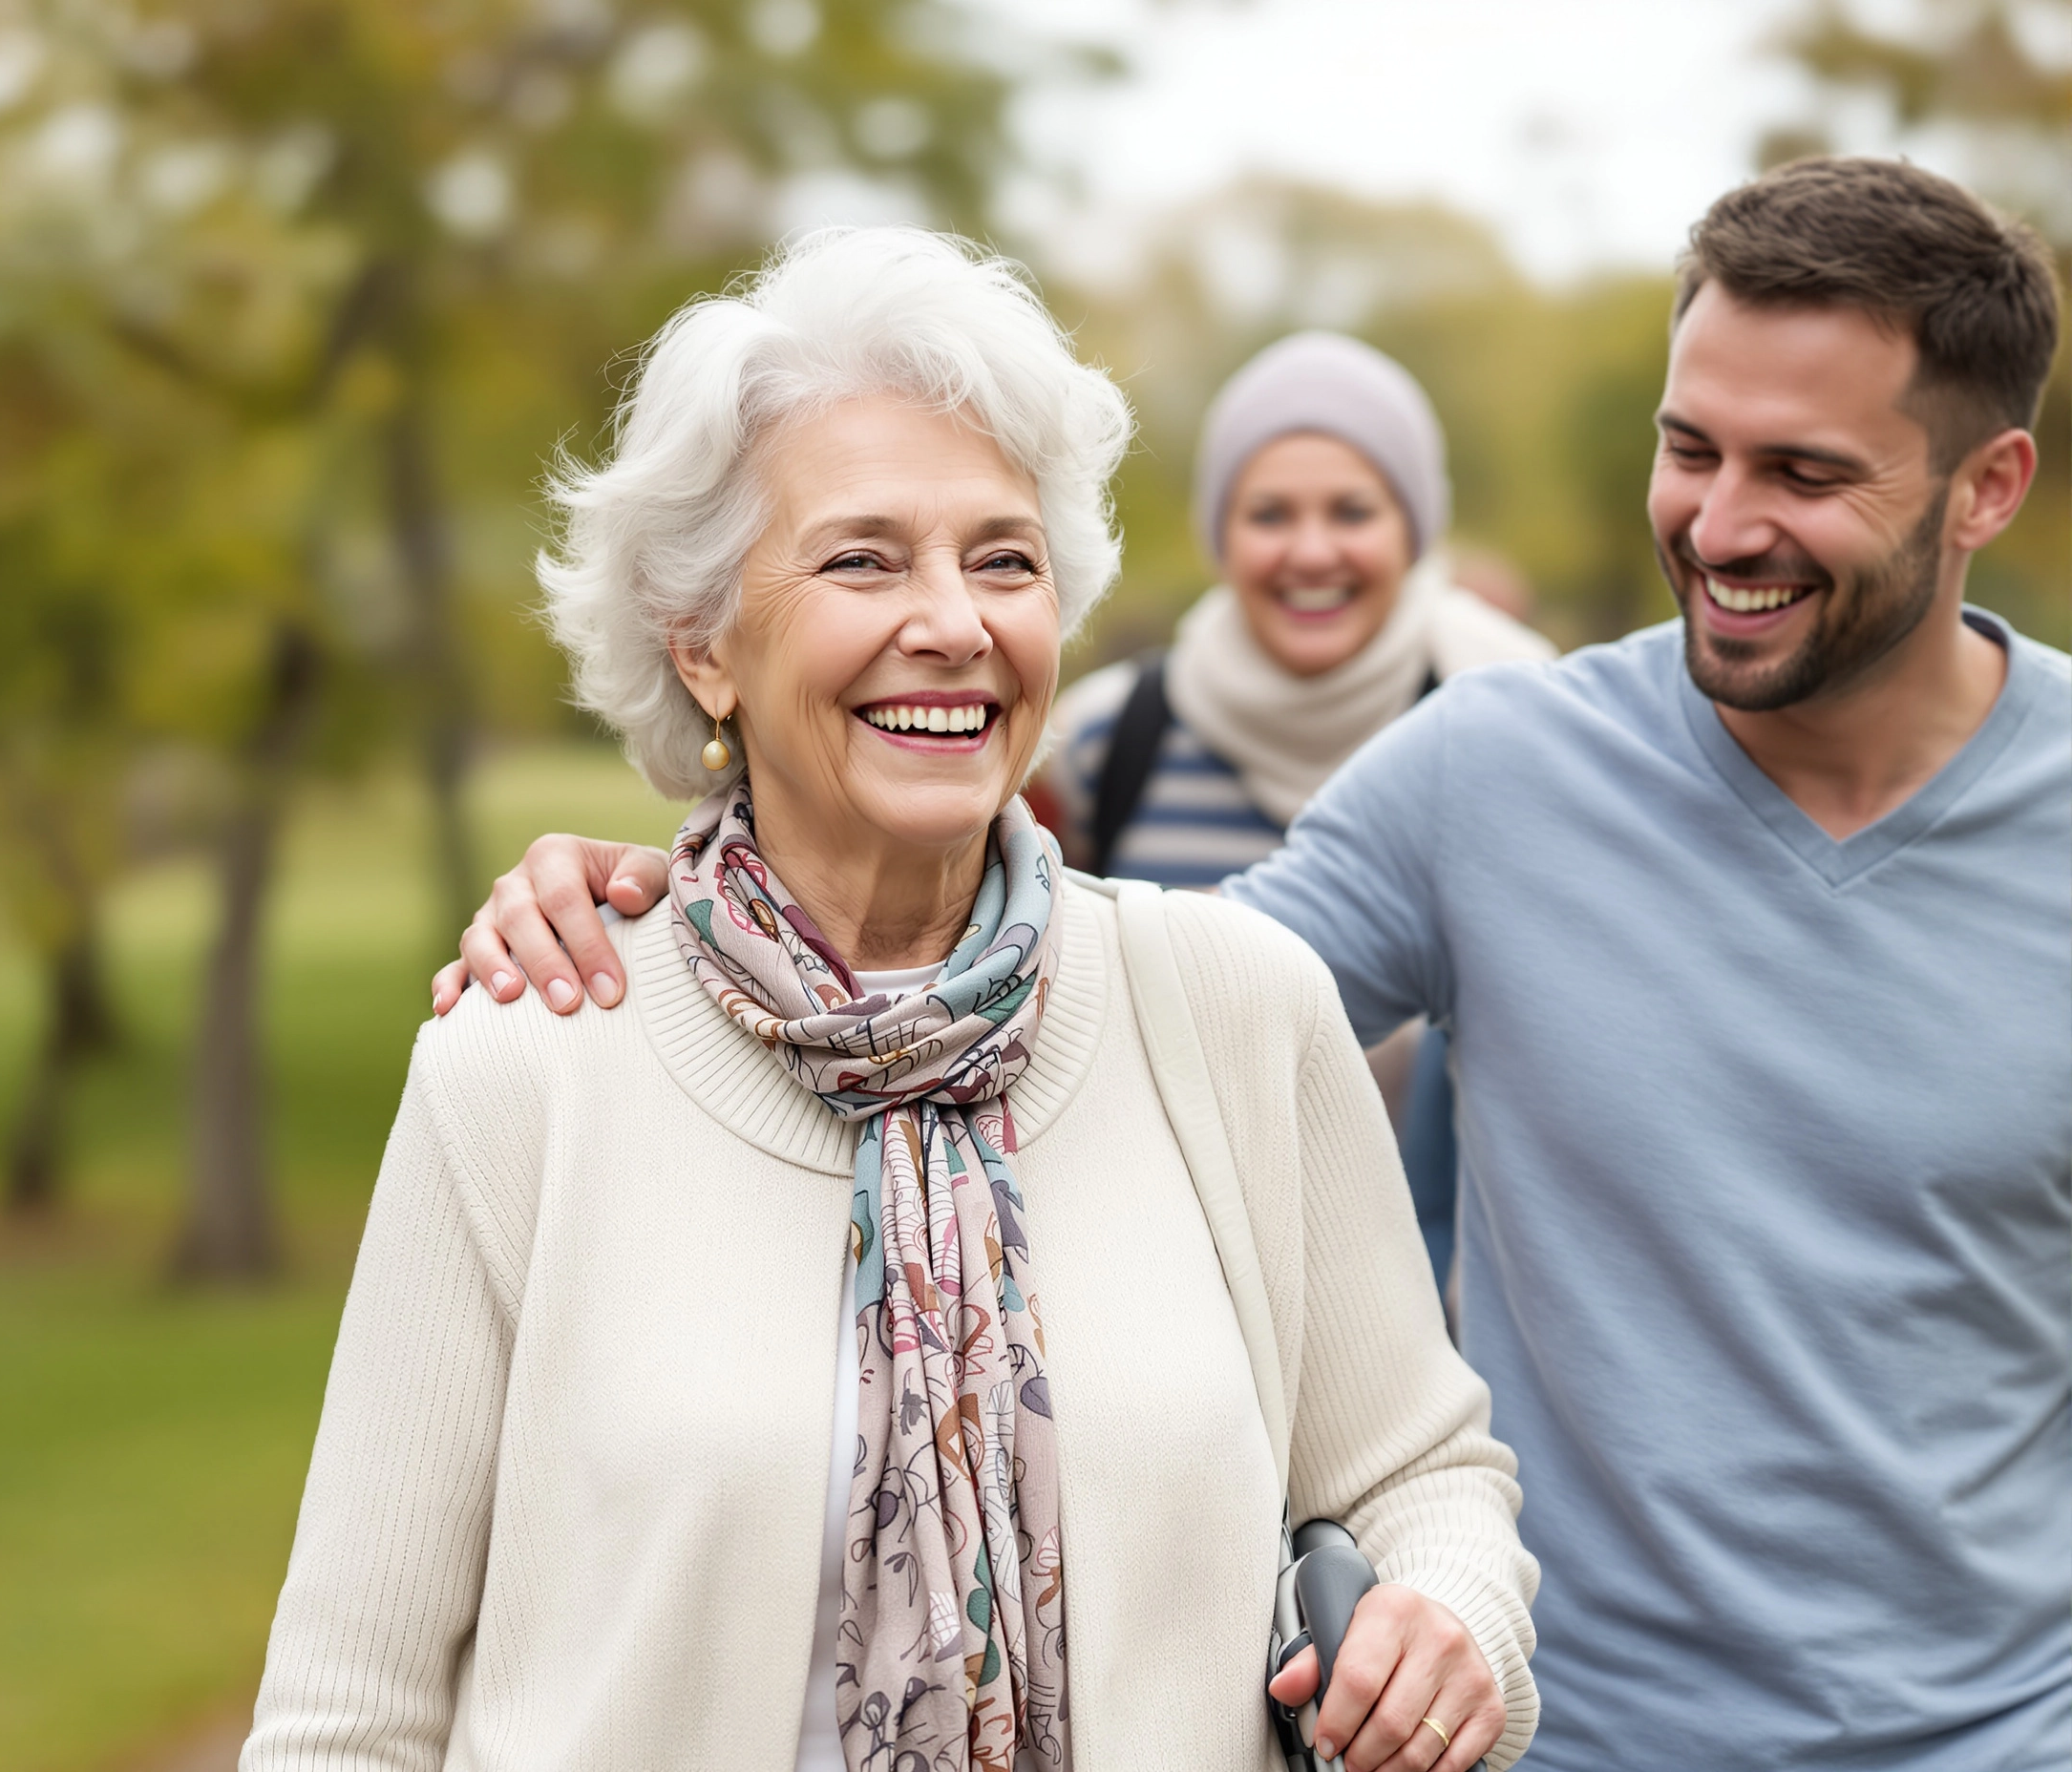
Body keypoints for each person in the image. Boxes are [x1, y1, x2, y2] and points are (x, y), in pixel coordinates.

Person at [430, 158, 2072, 1770]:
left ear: (1982, 488)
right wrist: (704, 894)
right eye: (1684, 447)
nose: (1718, 522)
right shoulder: (1490, 776)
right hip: (1585, 1736)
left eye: (1799, 471)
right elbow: (1070, 1001)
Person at [243, 227, 1540, 1772]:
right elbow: (345, 1717)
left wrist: (1446, 1620)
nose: (952, 620)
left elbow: (1423, 1475)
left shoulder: (1233, 1009)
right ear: (701, 643)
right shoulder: (531, 1063)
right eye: (862, 557)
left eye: (1001, 557)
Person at [1030, 332, 1553, 1292]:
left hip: (1452, 1295)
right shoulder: (1103, 739)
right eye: (1270, 512)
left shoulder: (1516, 728)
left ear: (1415, 529)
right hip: (1170, 1279)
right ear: (1220, 531)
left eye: (1353, 509)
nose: (1311, 550)